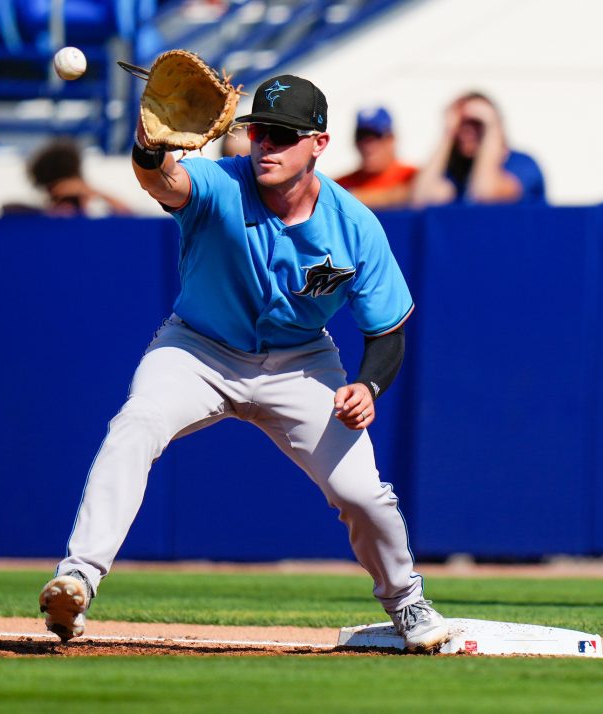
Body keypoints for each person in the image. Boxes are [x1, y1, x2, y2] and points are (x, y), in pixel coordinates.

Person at [38, 74, 450, 652]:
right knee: (138, 423)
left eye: (284, 135)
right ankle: (77, 578)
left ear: (320, 144)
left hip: (301, 361)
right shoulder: (218, 184)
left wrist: (370, 385)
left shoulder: (354, 225)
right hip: (197, 348)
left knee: (362, 492)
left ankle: (407, 603)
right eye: (259, 132)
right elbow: (164, 179)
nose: (267, 145)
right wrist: (148, 144)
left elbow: (387, 330)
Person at [411, 91, 545, 206]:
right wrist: (448, 132)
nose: (467, 131)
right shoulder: (455, 170)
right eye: (461, 124)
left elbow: (486, 194)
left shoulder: (522, 164)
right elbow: (422, 199)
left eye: (476, 123)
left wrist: (491, 124)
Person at [2, 139, 134, 217]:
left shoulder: (98, 220)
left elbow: (131, 216)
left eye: (73, 200)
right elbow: (7, 209)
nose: (67, 207)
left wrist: (89, 191)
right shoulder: (36, 218)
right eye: (60, 199)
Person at [335, 106, 417, 210]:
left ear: (391, 139)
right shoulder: (340, 184)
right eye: (361, 138)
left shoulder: (411, 176)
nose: (368, 147)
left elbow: (426, 193)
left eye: (377, 138)